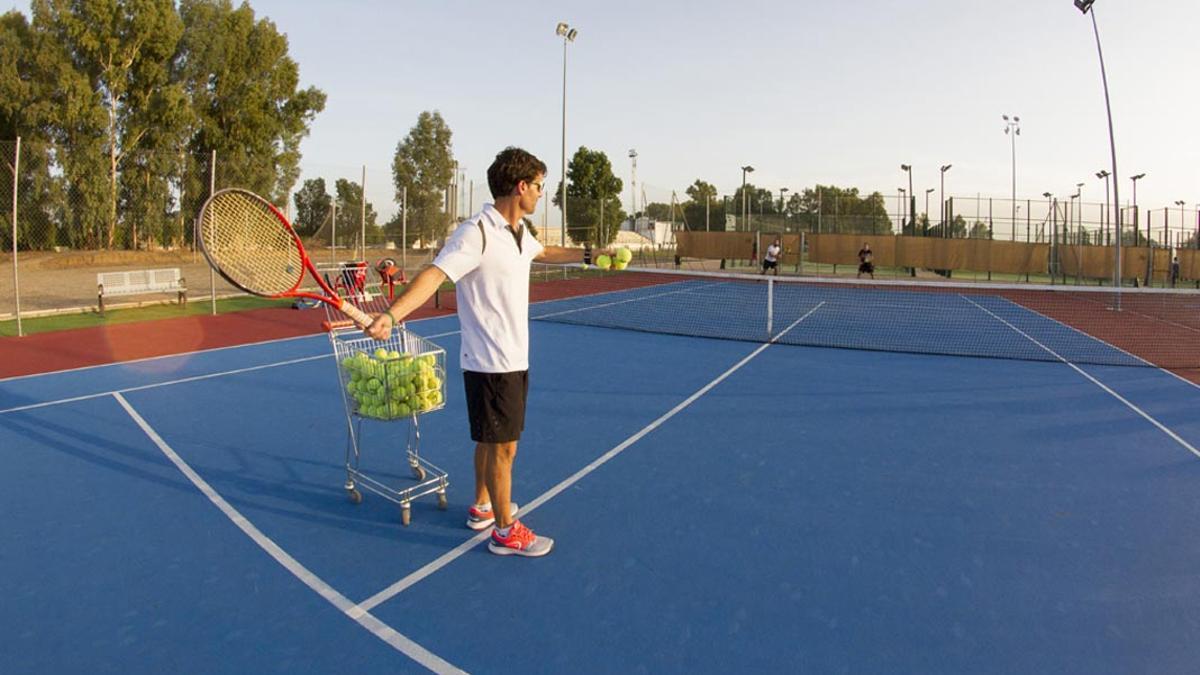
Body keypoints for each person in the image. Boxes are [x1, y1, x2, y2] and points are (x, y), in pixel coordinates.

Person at [365, 147, 553, 557]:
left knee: (492, 439)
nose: (542, 194)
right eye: (538, 186)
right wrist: (392, 315)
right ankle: (505, 532)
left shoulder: (521, 232)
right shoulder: (477, 232)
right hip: (489, 361)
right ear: (520, 186)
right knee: (503, 446)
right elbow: (435, 274)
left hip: (514, 356)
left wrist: (597, 257)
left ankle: (483, 507)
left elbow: (546, 254)